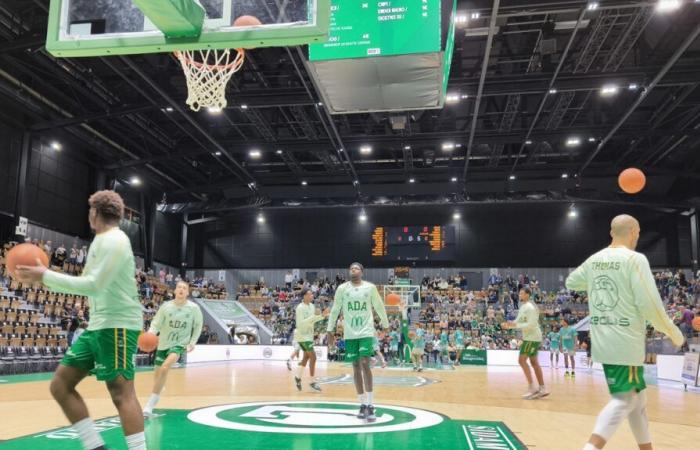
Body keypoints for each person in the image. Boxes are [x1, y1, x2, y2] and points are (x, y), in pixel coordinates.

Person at [15, 190, 147, 450]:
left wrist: (45, 276)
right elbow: (92, 286)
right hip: (98, 324)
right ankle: (95, 446)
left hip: (118, 325)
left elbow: (94, 285)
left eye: (89, 211)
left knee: (121, 393)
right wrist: (46, 277)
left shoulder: (114, 241)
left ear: (94, 213)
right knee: (60, 385)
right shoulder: (101, 241)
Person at [566, 214, 684, 450]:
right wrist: (673, 332)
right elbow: (649, 303)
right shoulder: (635, 259)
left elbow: (571, 282)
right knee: (624, 400)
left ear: (612, 233)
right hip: (625, 341)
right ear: (633, 231)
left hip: (602, 339)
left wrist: (598, 279)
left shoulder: (594, 260)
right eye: (638, 233)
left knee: (638, 401)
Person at [327, 262, 389, 422]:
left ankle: (370, 404)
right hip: (350, 333)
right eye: (351, 268)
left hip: (366, 331)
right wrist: (330, 329)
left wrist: (386, 324)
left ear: (361, 272)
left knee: (364, 363)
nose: (352, 270)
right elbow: (335, 309)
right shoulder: (342, 289)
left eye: (356, 268)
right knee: (355, 366)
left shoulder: (370, 287)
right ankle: (362, 404)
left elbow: (379, 306)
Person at [143, 281, 203, 417]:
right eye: (179, 287)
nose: (181, 289)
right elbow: (156, 323)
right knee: (157, 375)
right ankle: (159, 386)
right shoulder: (166, 307)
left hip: (179, 345)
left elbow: (198, 325)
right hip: (163, 343)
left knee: (165, 368)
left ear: (187, 292)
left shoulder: (194, 308)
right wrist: (151, 333)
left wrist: (192, 342)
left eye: (184, 288)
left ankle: (148, 407)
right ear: (174, 291)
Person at [503, 287, 549, 400]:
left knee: (522, 360)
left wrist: (515, 326)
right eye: (519, 293)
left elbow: (532, 324)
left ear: (528, 295)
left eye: (522, 293)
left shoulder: (531, 307)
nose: (519, 295)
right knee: (534, 362)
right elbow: (518, 321)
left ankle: (532, 387)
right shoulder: (523, 307)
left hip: (532, 337)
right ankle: (542, 388)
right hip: (530, 337)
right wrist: (509, 324)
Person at [293, 288, 328, 392]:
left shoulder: (312, 306)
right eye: (310, 294)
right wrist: (313, 317)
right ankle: (312, 382)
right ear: (304, 296)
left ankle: (298, 378)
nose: (312, 295)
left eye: (312, 294)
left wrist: (322, 316)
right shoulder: (300, 308)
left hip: (309, 335)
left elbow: (313, 320)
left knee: (306, 358)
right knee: (313, 357)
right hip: (302, 336)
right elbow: (300, 324)